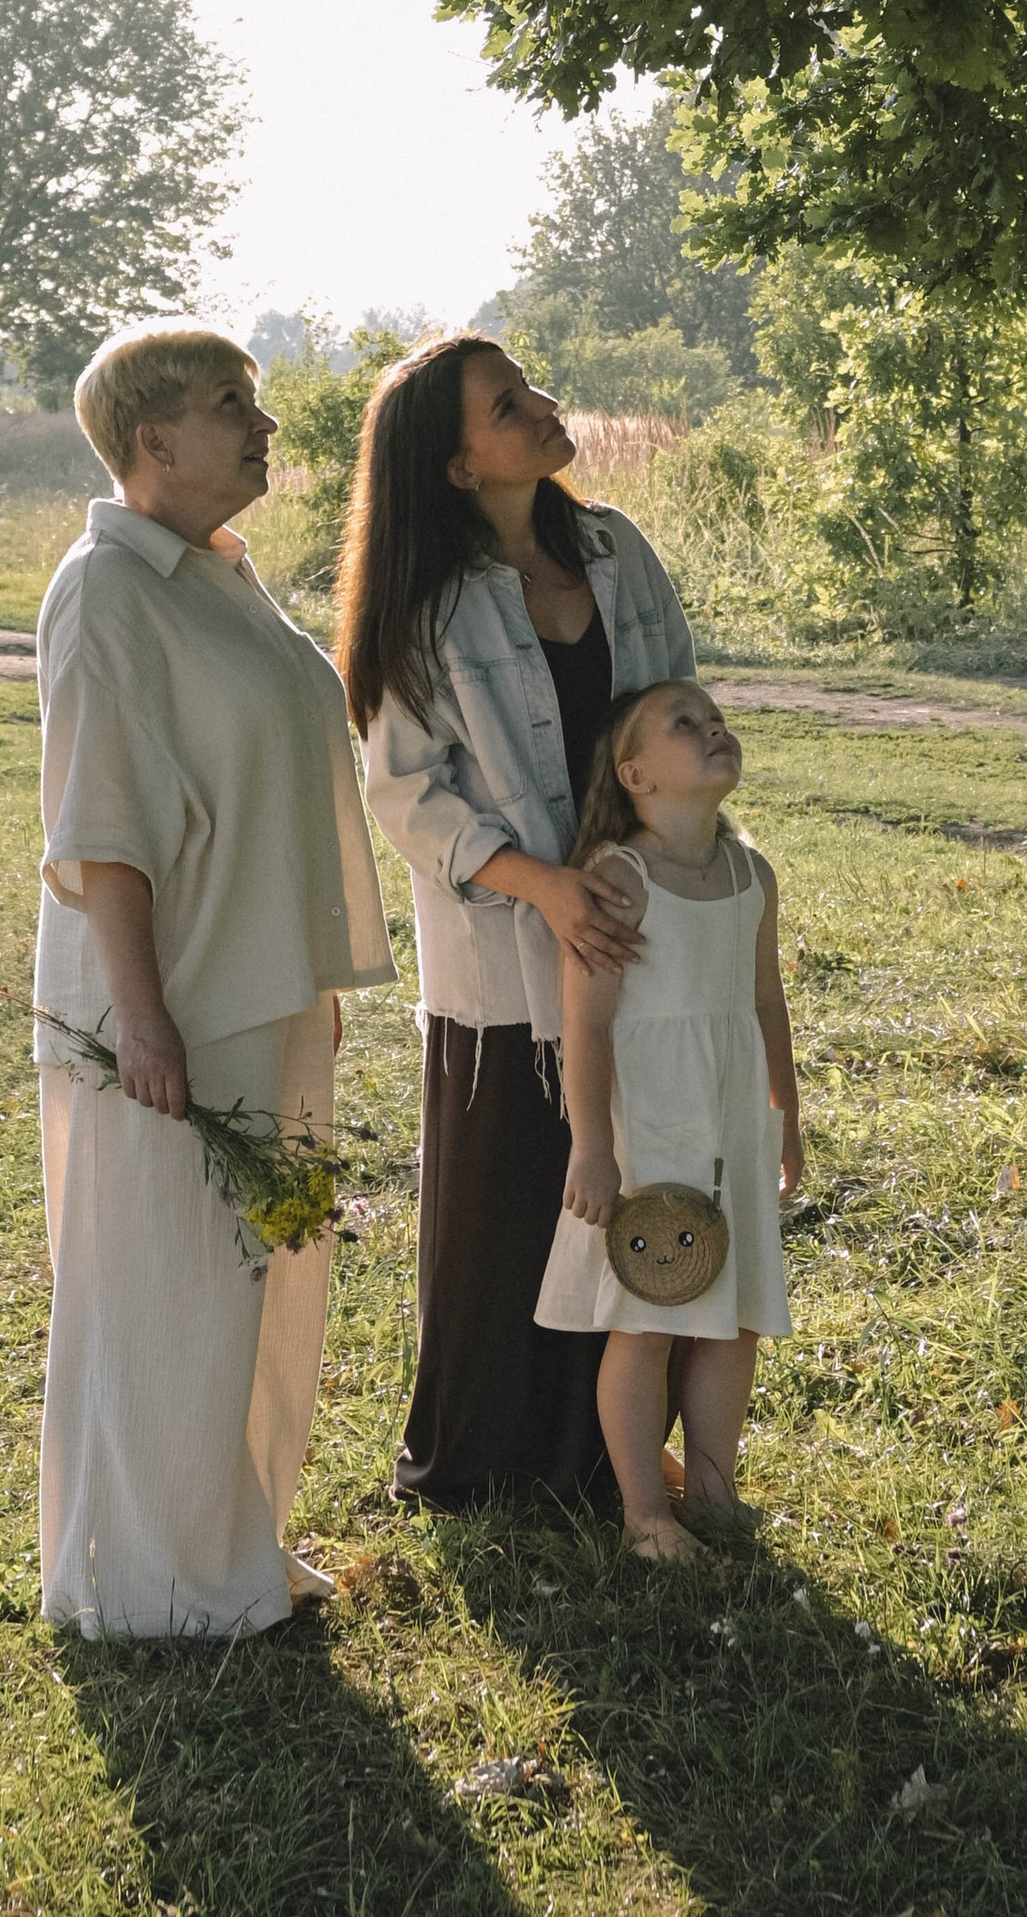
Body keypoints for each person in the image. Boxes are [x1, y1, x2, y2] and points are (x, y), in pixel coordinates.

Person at [33, 324, 394, 1638]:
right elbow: (102, 824)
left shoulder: (213, 574)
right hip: (172, 1003)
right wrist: (142, 1017)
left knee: (260, 1275)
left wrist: (310, 964)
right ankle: (155, 1582)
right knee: (167, 1290)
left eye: (257, 399)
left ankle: (234, 1544)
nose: (266, 425)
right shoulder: (106, 587)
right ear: (153, 442)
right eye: (230, 405)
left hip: (265, 988)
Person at [341, 333, 698, 1509]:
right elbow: (404, 791)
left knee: (639, 1189)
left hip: (639, 928)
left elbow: (678, 712)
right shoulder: (429, 605)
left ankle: (618, 1455)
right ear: (455, 467)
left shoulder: (616, 551)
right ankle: (491, 1467)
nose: (543, 407)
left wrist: (668, 860)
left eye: (532, 384)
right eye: (509, 404)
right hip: (506, 957)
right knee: (517, 1207)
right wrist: (542, 888)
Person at [539, 678, 800, 1560]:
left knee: (736, 1318)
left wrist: (785, 1116)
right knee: (647, 1321)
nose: (713, 730)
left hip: (732, 1130)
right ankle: (645, 1514)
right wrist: (592, 1145)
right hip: (654, 1136)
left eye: (718, 719)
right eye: (685, 724)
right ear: (636, 774)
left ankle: (716, 1491)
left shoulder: (749, 872)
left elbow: (767, 1002)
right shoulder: (622, 877)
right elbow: (587, 1020)